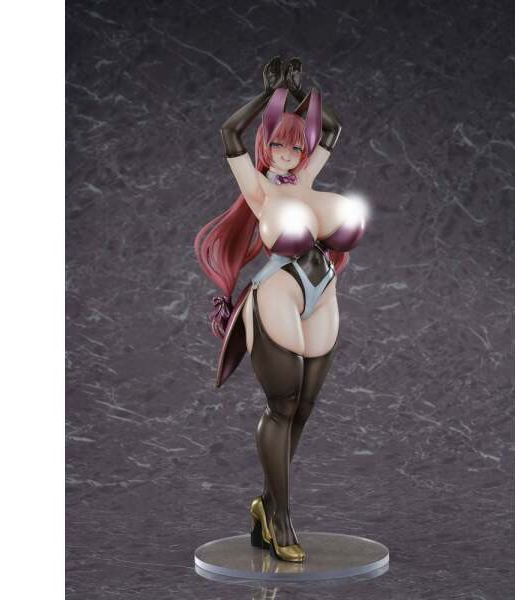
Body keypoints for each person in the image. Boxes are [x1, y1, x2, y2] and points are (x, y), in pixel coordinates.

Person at [194, 56, 366, 562]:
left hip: (322, 290)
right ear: (265, 146)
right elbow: (229, 133)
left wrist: (298, 93)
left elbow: (332, 127)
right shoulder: (258, 187)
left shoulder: (307, 175)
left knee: (305, 407)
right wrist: (269, 97)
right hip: (278, 292)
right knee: (282, 406)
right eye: (278, 145)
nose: (289, 154)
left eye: (296, 146)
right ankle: (281, 520)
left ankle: (267, 506)